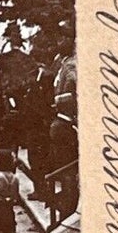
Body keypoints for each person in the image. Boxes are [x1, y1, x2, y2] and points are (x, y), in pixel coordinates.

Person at [49, 93, 79, 223]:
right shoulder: (59, 126)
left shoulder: (63, 124)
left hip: (68, 168)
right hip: (66, 167)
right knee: (69, 198)